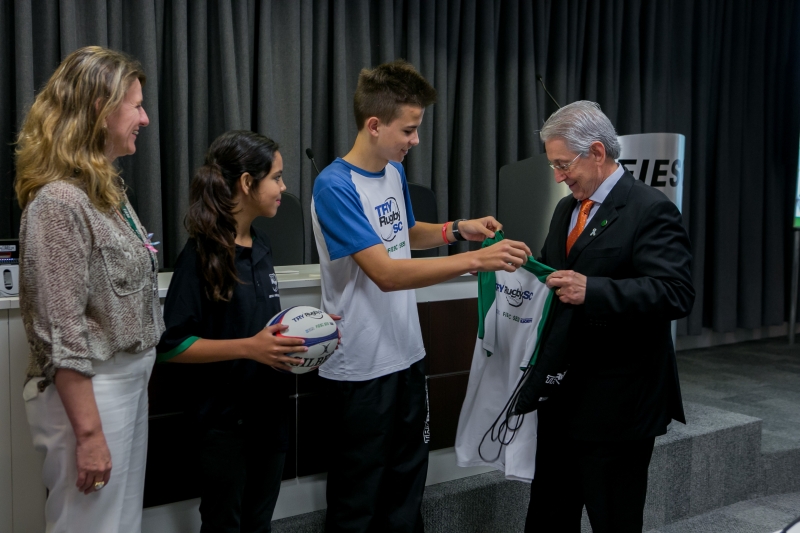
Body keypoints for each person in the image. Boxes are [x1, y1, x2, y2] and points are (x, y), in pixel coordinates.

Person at [311, 59, 532, 533]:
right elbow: (386, 273)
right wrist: (476, 260)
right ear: (374, 125)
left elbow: (405, 234)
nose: (414, 140)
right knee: (358, 498)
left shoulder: (391, 173)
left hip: (406, 357)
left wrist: (458, 230)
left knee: (407, 488)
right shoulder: (334, 186)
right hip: (360, 371)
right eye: (408, 130)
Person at [524, 101, 695, 532]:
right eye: (554, 166)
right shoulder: (567, 209)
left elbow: (676, 293)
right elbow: (558, 272)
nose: (558, 176)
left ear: (597, 153)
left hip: (620, 403)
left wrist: (593, 290)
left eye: (564, 165)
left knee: (613, 519)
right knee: (549, 513)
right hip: (563, 394)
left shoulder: (649, 208)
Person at [15, 46, 164, 533]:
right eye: (136, 105)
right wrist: (90, 434)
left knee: (119, 524)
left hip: (126, 382)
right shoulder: (59, 202)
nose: (144, 117)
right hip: (93, 391)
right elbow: (63, 330)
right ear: (100, 110)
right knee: (91, 526)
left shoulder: (106, 192)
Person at [157, 130, 309, 533]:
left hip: (271, 418)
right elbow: (172, 347)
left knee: (259, 524)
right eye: (276, 177)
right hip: (224, 427)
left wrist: (314, 334)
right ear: (247, 183)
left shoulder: (261, 246)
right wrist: (250, 348)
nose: (283, 187)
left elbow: (264, 331)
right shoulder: (200, 256)